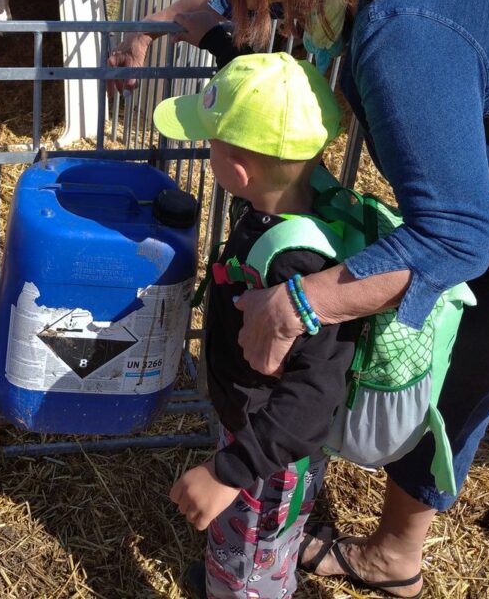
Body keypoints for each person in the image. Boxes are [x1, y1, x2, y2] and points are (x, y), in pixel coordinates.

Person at [110, 0, 489, 597]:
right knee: (458, 363)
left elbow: (459, 235)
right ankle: (397, 558)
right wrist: (159, 28)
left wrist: (301, 302)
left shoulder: (403, 26)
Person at [153, 51, 355, 599]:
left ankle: (239, 584)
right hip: (251, 426)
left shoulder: (299, 264)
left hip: (270, 452)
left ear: (237, 170)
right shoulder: (285, 206)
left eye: (211, 141)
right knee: (244, 548)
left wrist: (230, 472)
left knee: (256, 564)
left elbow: (313, 395)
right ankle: (228, 570)